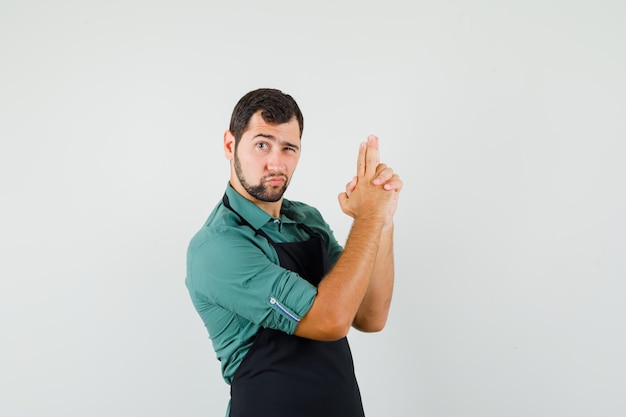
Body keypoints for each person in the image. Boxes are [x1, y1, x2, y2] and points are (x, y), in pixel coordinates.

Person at [185, 88, 402, 417]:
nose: (276, 162)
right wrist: (367, 217)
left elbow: (370, 316)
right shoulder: (217, 246)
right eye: (262, 144)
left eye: (288, 148)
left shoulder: (307, 220)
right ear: (230, 145)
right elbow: (329, 320)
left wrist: (382, 216)